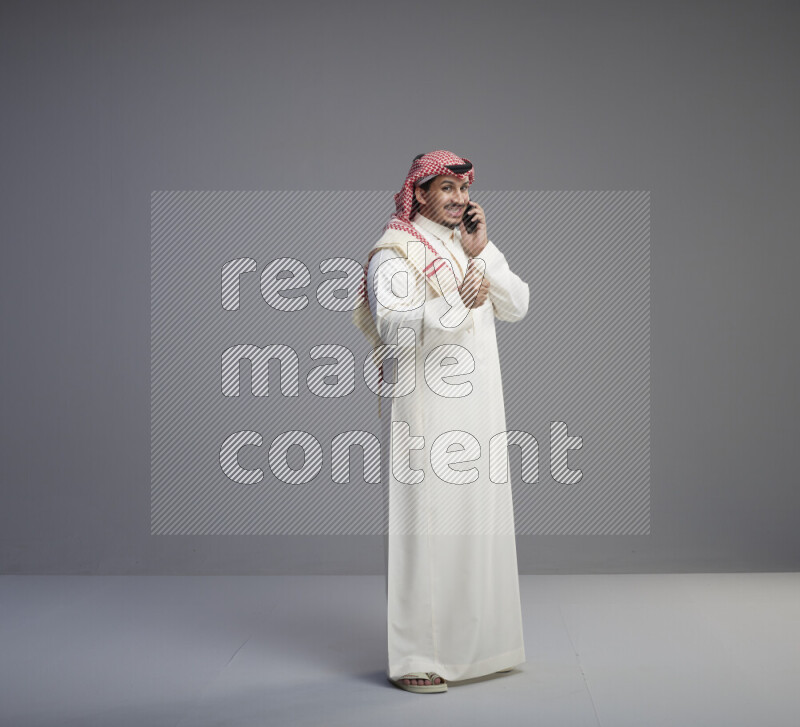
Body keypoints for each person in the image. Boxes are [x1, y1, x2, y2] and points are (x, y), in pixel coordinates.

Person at [352, 150, 530, 693]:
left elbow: (517, 303)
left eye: (463, 189)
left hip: (480, 409)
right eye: (446, 189)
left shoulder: (470, 245)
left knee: (479, 523)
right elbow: (396, 329)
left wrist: (479, 257)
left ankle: (482, 649)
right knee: (427, 528)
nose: (458, 199)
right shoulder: (395, 252)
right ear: (420, 193)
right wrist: (455, 296)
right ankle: (416, 659)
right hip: (428, 412)